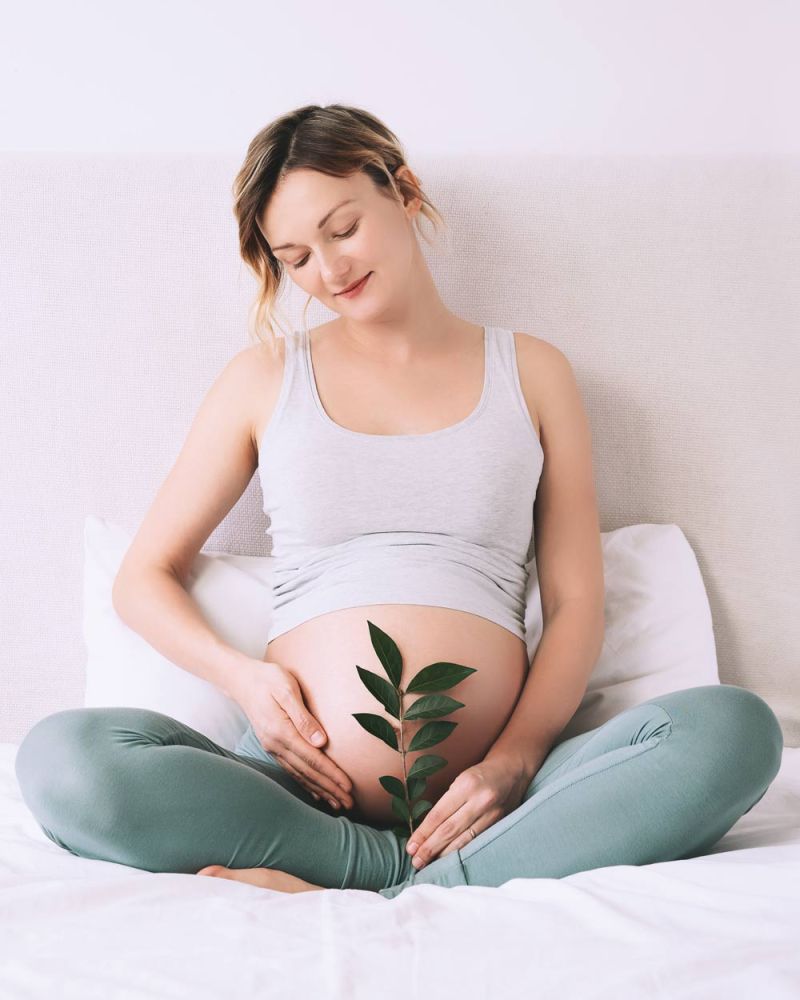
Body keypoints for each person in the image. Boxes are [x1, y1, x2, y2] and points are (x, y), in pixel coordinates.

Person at [15, 104, 784, 898]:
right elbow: (143, 577)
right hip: (289, 789)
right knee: (61, 760)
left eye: (342, 228)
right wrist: (247, 682)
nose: (329, 271)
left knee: (735, 731)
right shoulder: (263, 379)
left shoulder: (535, 373)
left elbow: (578, 602)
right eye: (296, 258)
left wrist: (515, 760)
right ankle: (412, 876)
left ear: (403, 190)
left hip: (503, 796)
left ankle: (389, 877)